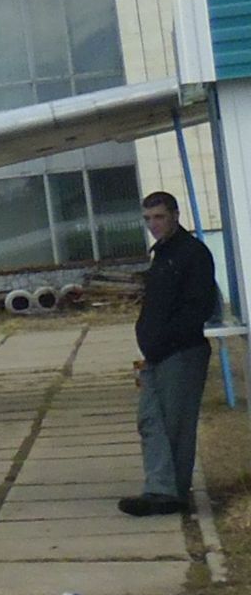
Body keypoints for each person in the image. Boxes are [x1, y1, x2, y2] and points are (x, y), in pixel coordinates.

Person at [120, 192, 218, 517]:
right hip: (158, 353)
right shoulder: (162, 255)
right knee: (151, 420)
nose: (153, 225)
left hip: (182, 352)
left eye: (159, 217)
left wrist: (165, 341)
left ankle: (167, 492)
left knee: (174, 424)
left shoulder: (193, 254)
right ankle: (163, 488)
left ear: (174, 215)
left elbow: (199, 307)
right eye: (147, 219)